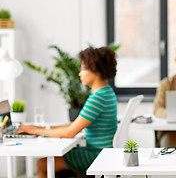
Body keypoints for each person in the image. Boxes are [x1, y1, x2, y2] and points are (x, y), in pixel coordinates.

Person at [18, 46, 118, 178]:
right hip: (101, 151)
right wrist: (39, 128)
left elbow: (70, 132)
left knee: (42, 165)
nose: (80, 73)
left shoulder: (97, 98)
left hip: (96, 154)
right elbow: (74, 125)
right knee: (46, 162)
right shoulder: (107, 92)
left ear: (95, 69)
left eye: (83, 69)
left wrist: (36, 131)